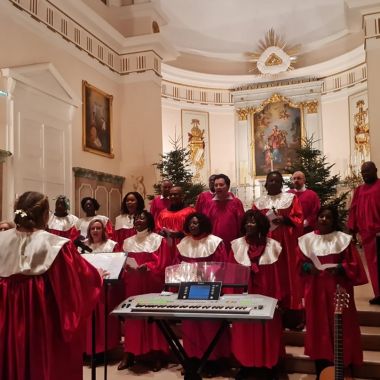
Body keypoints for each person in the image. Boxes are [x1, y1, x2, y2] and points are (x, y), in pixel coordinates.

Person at [0, 191, 103, 380]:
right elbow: (76, 284)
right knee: (41, 364)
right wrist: (98, 276)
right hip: (42, 320)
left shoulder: (2, 240)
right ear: (45, 215)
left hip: (7, 319)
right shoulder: (56, 245)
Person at [298, 206, 368, 379]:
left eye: (328, 217)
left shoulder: (342, 239)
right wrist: (309, 267)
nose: (324, 220)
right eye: (321, 216)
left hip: (339, 291)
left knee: (343, 327)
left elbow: (354, 266)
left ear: (333, 220)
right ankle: (321, 369)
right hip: (315, 291)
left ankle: (344, 368)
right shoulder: (306, 240)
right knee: (318, 328)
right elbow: (299, 264)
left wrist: (340, 268)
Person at [229, 210, 285, 380]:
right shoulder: (236, 245)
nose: (249, 224)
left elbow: (281, 275)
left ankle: (269, 366)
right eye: (247, 221)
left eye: (253, 221)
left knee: (268, 332)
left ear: (261, 224)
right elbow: (231, 273)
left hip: (267, 295)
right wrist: (231, 299)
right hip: (244, 296)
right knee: (244, 332)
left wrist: (280, 299)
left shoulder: (273, 245)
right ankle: (245, 365)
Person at [174, 212, 229, 377]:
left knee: (209, 327)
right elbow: (176, 264)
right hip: (188, 289)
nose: (193, 226)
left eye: (196, 223)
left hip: (209, 289)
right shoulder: (183, 242)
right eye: (190, 223)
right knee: (190, 327)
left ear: (203, 224)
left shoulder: (215, 242)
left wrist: (203, 272)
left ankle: (212, 361)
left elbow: (221, 265)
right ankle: (192, 359)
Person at [119, 211, 169, 372]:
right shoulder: (127, 241)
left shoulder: (158, 240)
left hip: (151, 283)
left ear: (149, 222)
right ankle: (129, 353)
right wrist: (126, 266)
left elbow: (163, 263)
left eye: (142, 218)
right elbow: (121, 260)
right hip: (132, 283)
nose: (138, 220)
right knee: (132, 318)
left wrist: (148, 267)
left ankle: (156, 355)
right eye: (136, 218)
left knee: (152, 318)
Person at [252, 171, 303, 317]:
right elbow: (253, 222)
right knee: (269, 274)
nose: (273, 183)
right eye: (271, 181)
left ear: (282, 183)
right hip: (266, 244)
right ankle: (270, 306)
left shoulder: (291, 198)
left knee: (287, 273)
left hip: (286, 243)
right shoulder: (259, 202)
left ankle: (291, 309)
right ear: (266, 184)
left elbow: (299, 218)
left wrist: (285, 220)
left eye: (276, 181)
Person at [81, 218, 122, 358]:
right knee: (88, 318)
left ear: (104, 230)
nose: (95, 231)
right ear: (89, 231)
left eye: (98, 228)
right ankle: (87, 349)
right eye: (92, 228)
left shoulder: (111, 245)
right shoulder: (82, 246)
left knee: (103, 319)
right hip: (87, 288)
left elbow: (116, 265)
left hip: (106, 287)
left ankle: (103, 349)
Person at [348, 161, 380, 305]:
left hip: (379, 231)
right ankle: (378, 293)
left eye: (368, 171)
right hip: (367, 235)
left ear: (376, 170)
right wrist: (352, 229)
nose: (365, 174)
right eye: (363, 172)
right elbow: (353, 210)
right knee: (373, 266)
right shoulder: (359, 190)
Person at [202, 173, 245, 251]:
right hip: (213, 243)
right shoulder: (209, 204)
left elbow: (241, 223)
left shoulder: (236, 202)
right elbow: (205, 224)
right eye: (216, 185)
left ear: (228, 186)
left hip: (233, 242)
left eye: (221, 185)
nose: (218, 187)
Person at [156, 186, 195, 251]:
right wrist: (161, 233)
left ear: (182, 196)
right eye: (170, 195)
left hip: (185, 246)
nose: (172, 197)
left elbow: (196, 230)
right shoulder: (163, 213)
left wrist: (180, 234)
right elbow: (157, 228)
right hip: (167, 248)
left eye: (175, 194)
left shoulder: (190, 211)